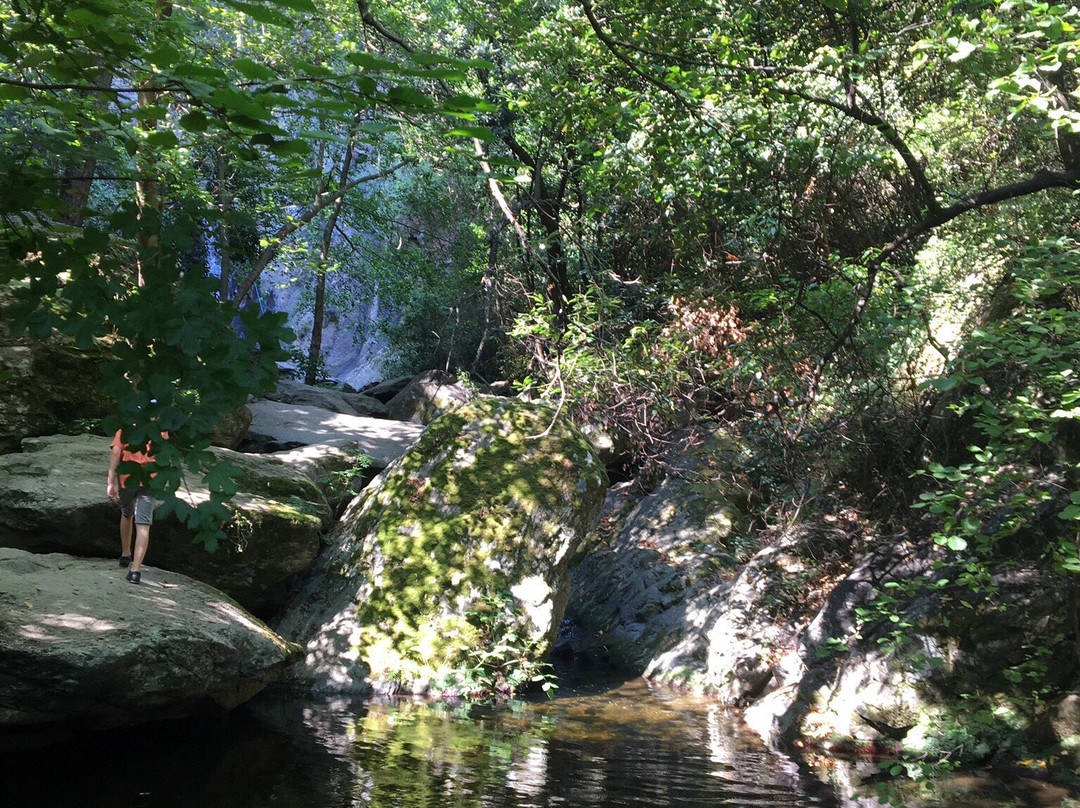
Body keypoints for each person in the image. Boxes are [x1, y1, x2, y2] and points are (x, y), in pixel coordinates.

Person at [106, 425, 166, 584]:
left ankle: (126, 555)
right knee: (143, 524)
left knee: (127, 513)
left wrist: (110, 480)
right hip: (150, 479)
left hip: (128, 479)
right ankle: (135, 571)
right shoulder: (161, 429)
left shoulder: (126, 428)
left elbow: (115, 451)